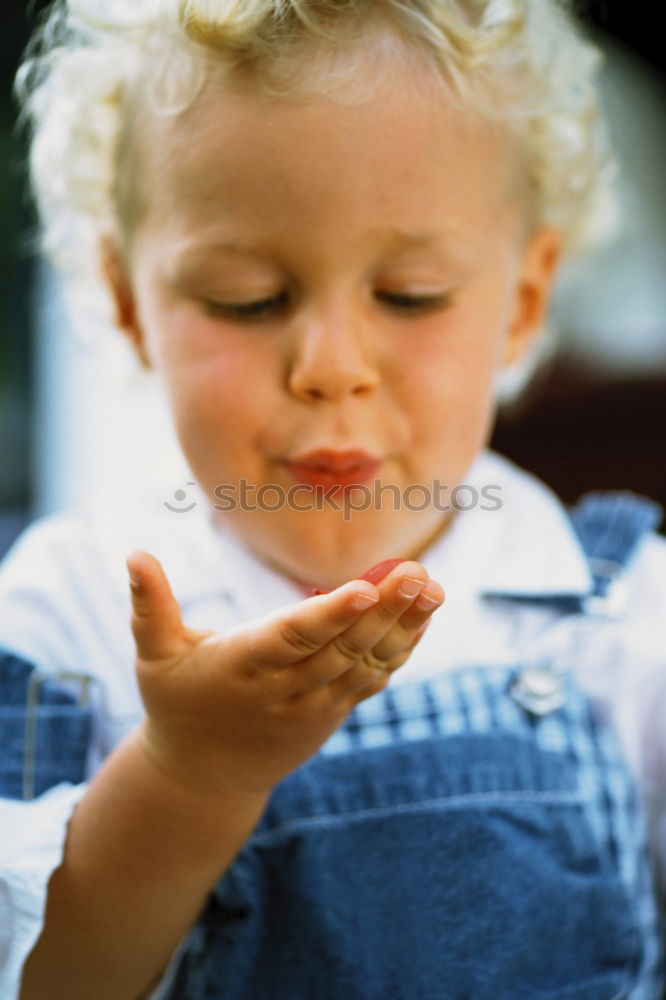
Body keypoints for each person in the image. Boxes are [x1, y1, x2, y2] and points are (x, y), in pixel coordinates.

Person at [2, 0, 665, 997]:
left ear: (522, 304)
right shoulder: (79, 602)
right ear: (133, 304)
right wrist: (189, 775)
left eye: (410, 293)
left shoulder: (614, 610)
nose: (331, 367)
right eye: (247, 298)